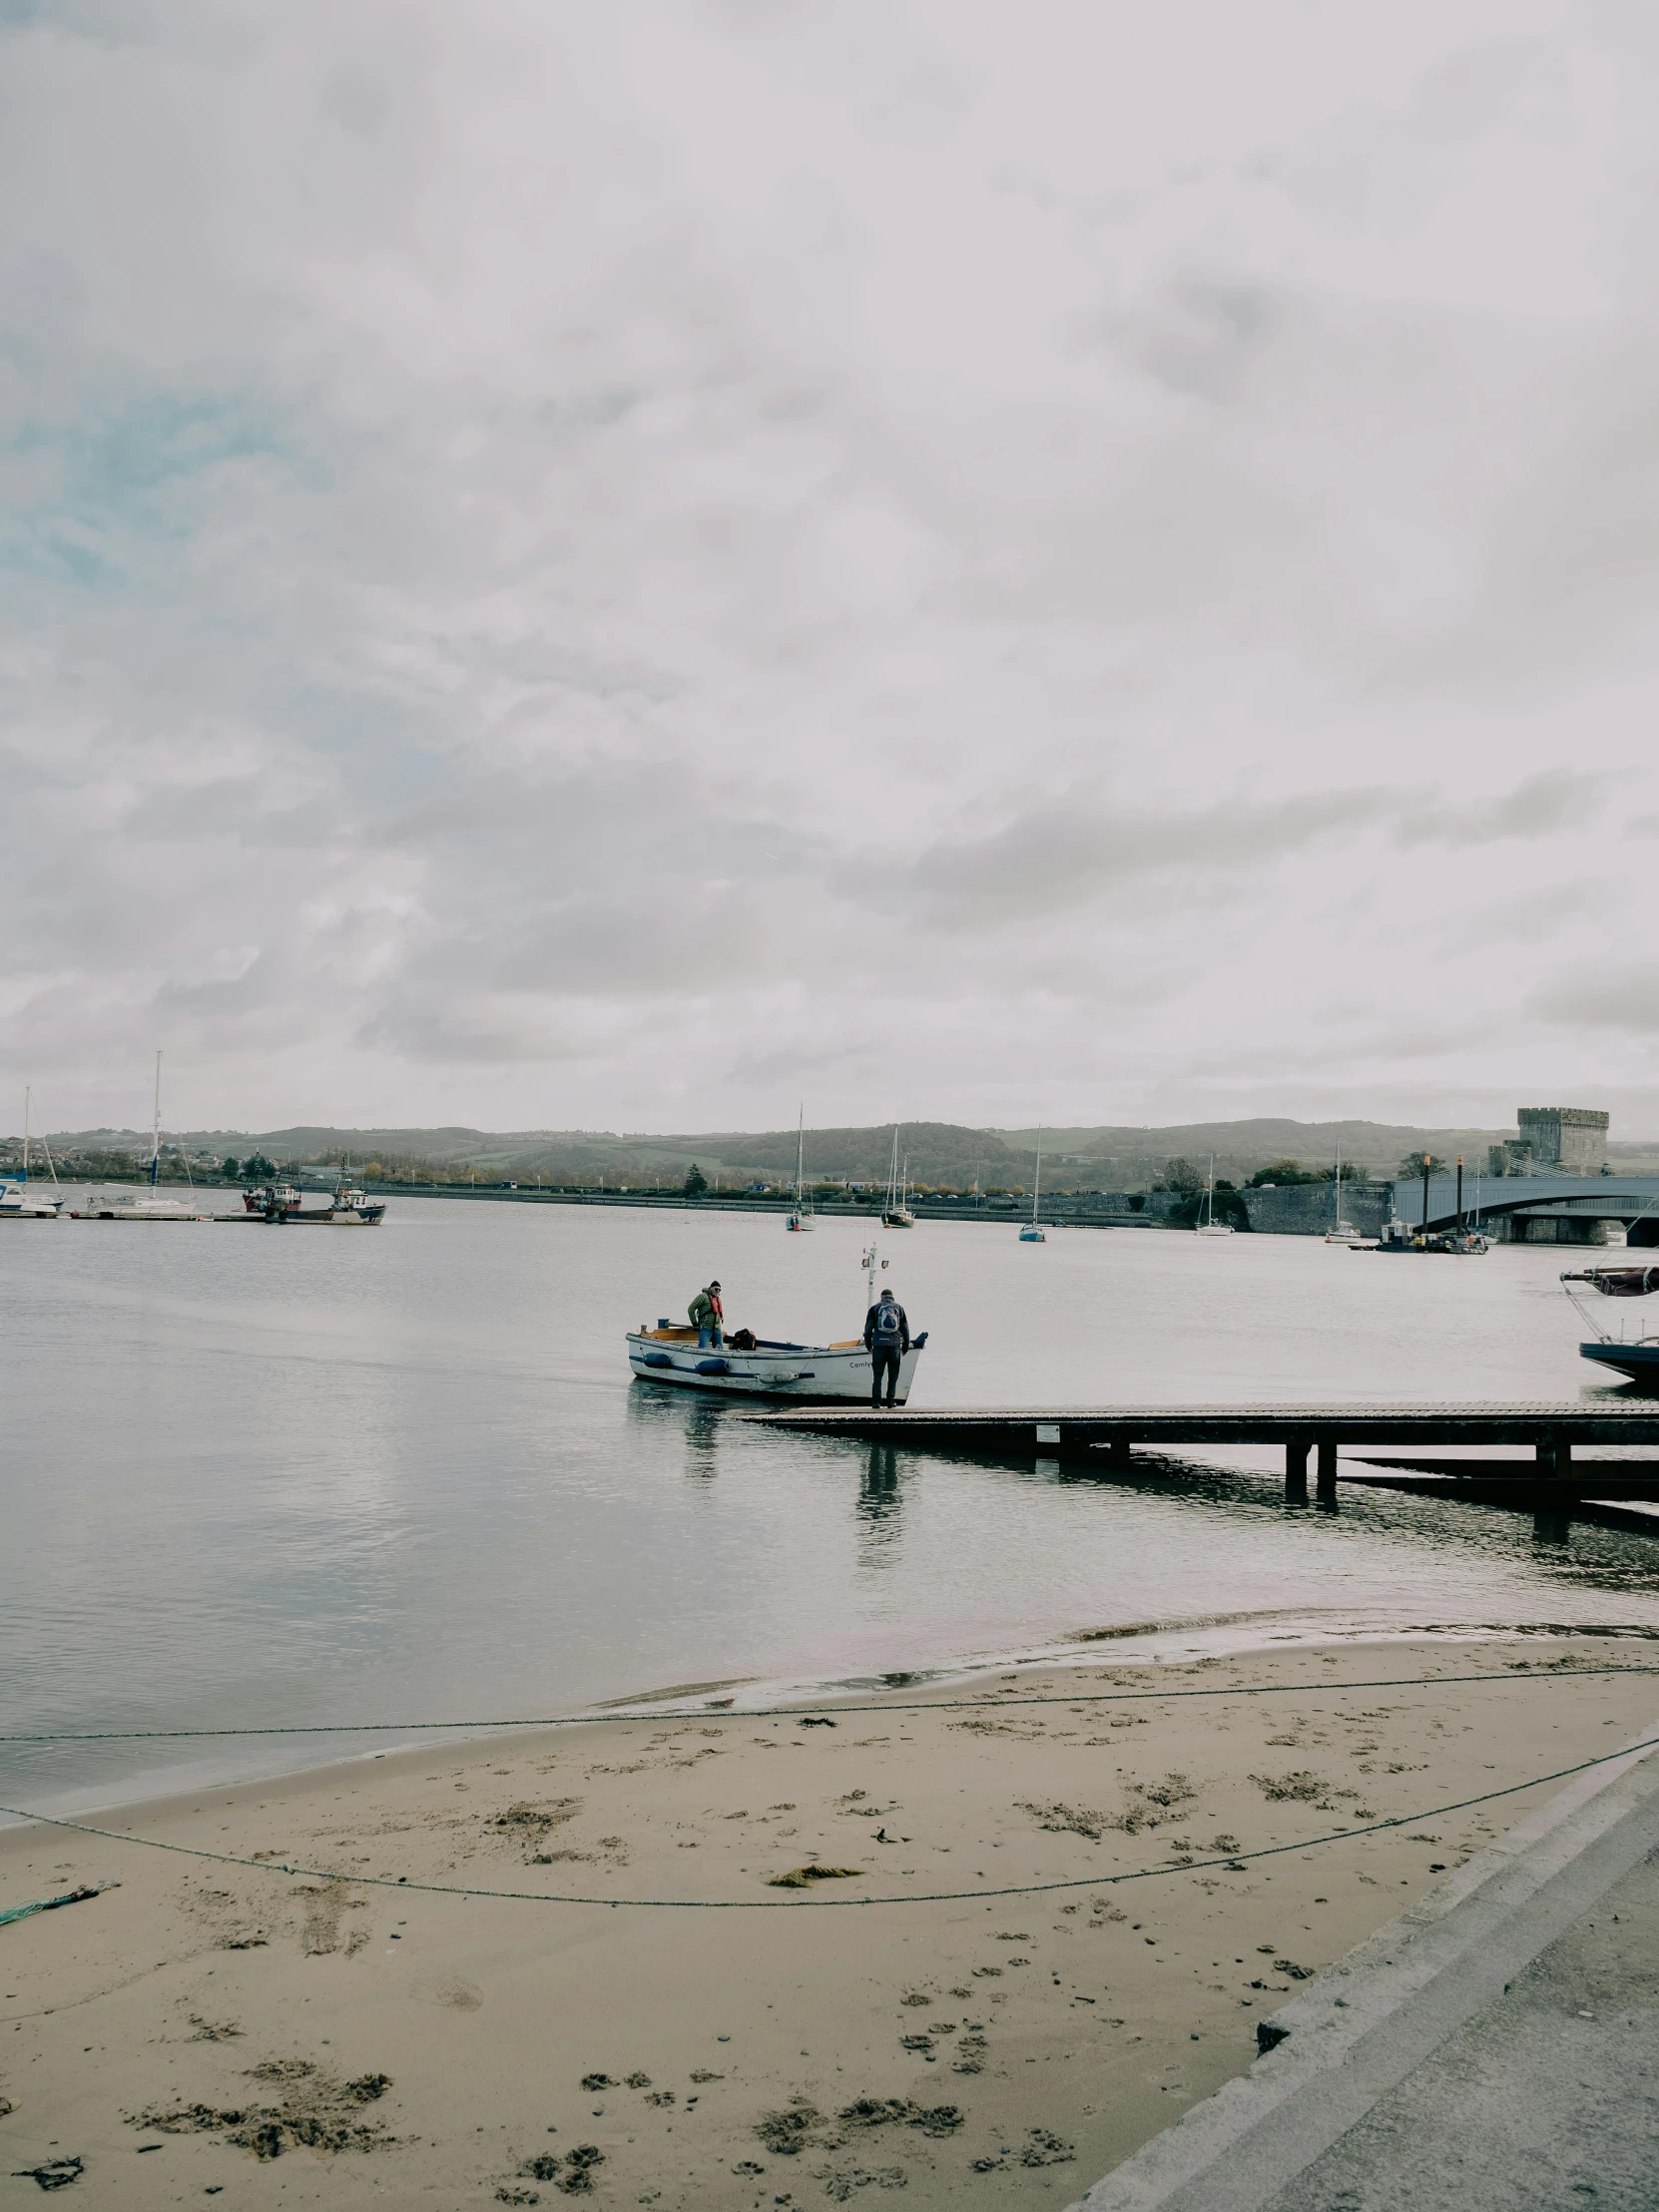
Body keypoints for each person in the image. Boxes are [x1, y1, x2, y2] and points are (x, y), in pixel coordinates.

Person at [862, 1285, 910, 1407]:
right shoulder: (899, 1308)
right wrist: (905, 1346)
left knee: (878, 1375)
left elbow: (868, 1329)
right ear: (892, 1297)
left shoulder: (875, 1308)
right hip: (894, 1345)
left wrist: (868, 1345)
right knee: (893, 1374)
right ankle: (891, 1401)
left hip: (879, 1345)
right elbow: (905, 1329)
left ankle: (876, 1402)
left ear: (881, 1297)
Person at [689, 1280, 725, 1349]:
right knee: (703, 1349)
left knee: (720, 1350)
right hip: (705, 1328)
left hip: (717, 1329)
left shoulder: (717, 1299)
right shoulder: (703, 1297)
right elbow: (691, 1309)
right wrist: (694, 1323)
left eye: (719, 1290)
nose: (718, 1291)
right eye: (716, 1289)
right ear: (711, 1288)